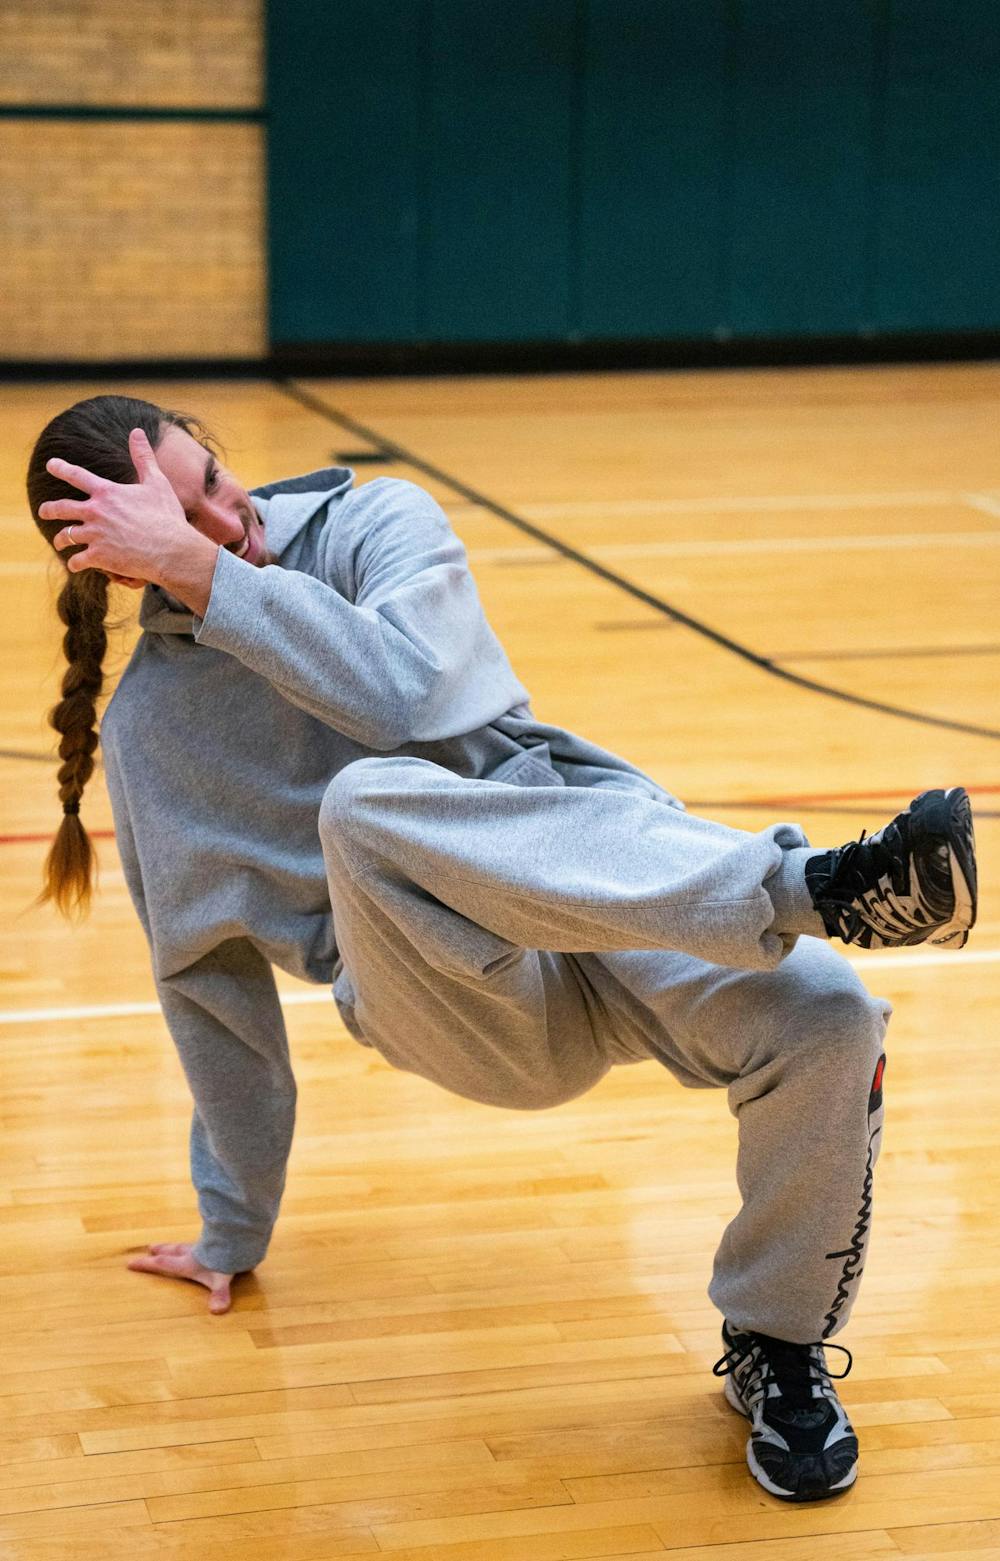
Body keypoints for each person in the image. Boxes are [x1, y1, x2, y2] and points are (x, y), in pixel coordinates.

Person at [27, 394, 977, 1505]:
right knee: (363, 806)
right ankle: (809, 883)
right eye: (179, 520)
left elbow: (404, 686)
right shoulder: (153, 733)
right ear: (118, 559)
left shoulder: (376, 517)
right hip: (453, 993)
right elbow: (205, 984)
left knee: (826, 1017)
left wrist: (212, 571)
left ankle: (777, 1347)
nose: (224, 522)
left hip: (608, 894)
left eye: (213, 483)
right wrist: (231, 1222)